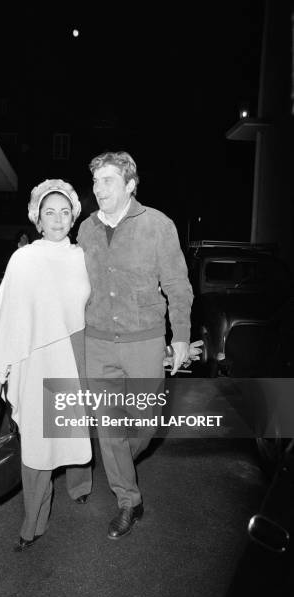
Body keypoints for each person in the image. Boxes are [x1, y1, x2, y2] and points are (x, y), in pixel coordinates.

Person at [77, 151, 194, 540]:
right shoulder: (86, 229)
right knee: (109, 428)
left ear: (130, 184)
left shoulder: (158, 225)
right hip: (97, 343)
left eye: (107, 180)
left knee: (146, 424)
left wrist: (179, 336)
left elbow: (178, 285)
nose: (98, 189)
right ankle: (128, 500)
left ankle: (119, 458)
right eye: (95, 182)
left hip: (144, 341)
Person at [0, 179, 92, 551]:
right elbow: (7, 312)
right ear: (37, 219)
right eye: (50, 212)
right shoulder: (24, 258)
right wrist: (1, 361)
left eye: (65, 212)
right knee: (38, 443)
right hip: (35, 359)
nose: (58, 219)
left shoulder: (83, 257)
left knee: (73, 434)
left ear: (74, 217)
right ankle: (33, 522)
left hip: (73, 357)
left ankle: (80, 486)